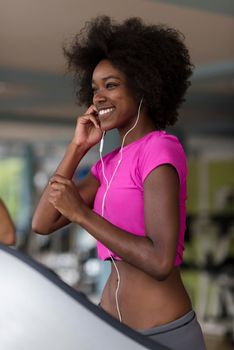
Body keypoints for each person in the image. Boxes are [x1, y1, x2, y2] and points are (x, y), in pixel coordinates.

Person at [32, 16, 207, 349]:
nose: (99, 97)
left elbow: (159, 261)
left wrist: (82, 215)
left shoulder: (159, 149)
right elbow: (44, 222)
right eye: (95, 88)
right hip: (109, 328)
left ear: (142, 86)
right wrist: (78, 147)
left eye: (110, 85)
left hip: (162, 334)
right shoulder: (107, 165)